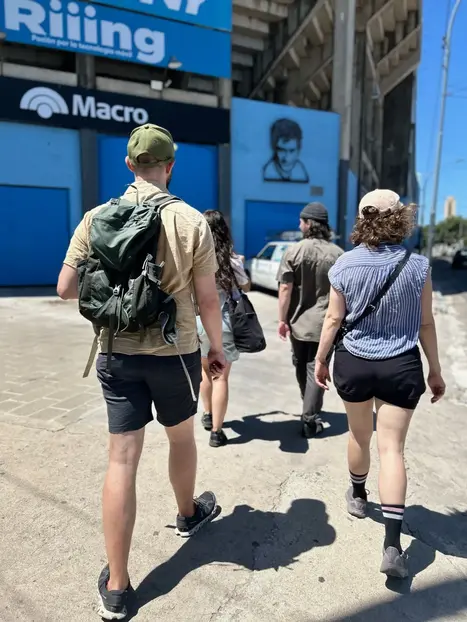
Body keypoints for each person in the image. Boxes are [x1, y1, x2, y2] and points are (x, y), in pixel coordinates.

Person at [57, 123, 226, 620]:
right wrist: (216, 348)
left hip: (117, 352)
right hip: (176, 354)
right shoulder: (191, 221)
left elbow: (66, 287)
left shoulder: (96, 218)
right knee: (181, 438)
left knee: (122, 461)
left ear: (129, 164)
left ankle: (117, 586)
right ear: (171, 166)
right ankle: (188, 514)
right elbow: (208, 299)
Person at [314, 189, 446, 579]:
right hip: (400, 366)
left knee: (359, 436)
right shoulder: (418, 266)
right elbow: (425, 323)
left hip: (354, 363)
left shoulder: (344, 264)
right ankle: (392, 546)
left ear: (362, 219)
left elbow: (333, 320)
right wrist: (435, 370)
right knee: (392, 450)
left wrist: (320, 360)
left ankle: (358, 495)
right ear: (400, 219)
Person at [276, 202, 343, 438]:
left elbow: (285, 288)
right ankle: (311, 409)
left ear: (308, 224)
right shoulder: (338, 255)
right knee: (316, 366)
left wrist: (282, 320)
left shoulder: (293, 251)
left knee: (302, 364)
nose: (298, 225)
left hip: (298, 323)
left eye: (301, 221)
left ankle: (309, 416)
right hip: (327, 323)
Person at [197, 210, 251, 447]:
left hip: (200, 323)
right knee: (220, 377)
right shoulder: (231, 260)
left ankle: (208, 414)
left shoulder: (196, 257)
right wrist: (240, 267)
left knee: (205, 371)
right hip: (225, 323)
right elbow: (246, 287)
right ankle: (216, 432)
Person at [263, 118, 309, 183]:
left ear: (299, 150)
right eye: (281, 150)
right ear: (274, 149)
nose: (287, 157)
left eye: (292, 151)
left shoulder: (300, 170)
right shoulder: (269, 171)